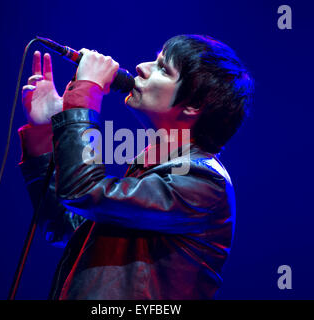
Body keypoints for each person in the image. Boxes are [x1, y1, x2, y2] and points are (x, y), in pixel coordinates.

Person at [18, 34, 253, 300]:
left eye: (163, 69)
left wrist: (86, 91)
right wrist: (43, 132)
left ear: (194, 105)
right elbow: (68, 225)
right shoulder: (153, 167)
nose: (142, 67)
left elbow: (82, 190)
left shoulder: (202, 181)